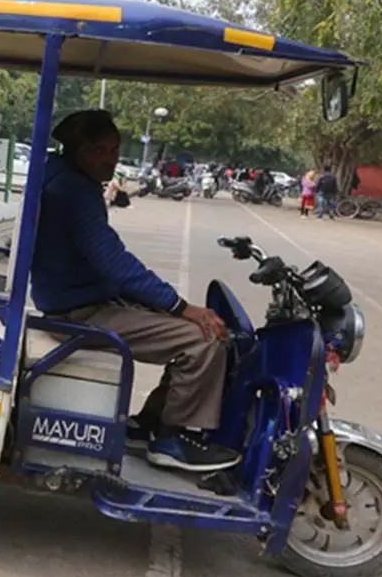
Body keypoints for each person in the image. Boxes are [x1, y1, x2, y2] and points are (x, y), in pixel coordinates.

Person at [33, 109, 238, 473]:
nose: (111, 159)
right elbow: (114, 263)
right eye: (101, 151)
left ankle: (148, 424)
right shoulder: (73, 192)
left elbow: (110, 263)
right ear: (79, 152)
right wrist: (180, 307)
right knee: (204, 339)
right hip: (79, 310)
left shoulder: (61, 175)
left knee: (189, 325)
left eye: (114, 149)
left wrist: (165, 303)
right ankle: (169, 441)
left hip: (81, 296)